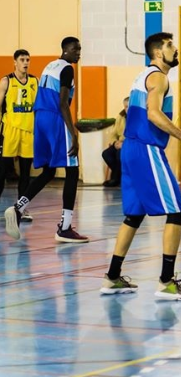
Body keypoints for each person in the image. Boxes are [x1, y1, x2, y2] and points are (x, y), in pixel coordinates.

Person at [100, 32, 181, 299]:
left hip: (132, 150)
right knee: (177, 212)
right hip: (146, 149)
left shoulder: (143, 75)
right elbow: (153, 114)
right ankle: (167, 281)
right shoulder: (159, 76)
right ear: (158, 53)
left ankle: (112, 277)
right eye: (170, 46)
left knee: (134, 217)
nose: (176, 49)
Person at [4, 37, 86, 243]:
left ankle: (18, 207)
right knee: (72, 169)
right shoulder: (67, 69)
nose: (79, 53)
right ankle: (65, 228)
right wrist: (73, 134)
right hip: (55, 118)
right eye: (76, 49)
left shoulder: (50, 65)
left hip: (39, 118)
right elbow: (62, 103)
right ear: (66, 50)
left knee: (49, 171)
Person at [0, 49, 37, 223]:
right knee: (2, 171)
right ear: (14, 62)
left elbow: (38, 107)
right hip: (10, 131)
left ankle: (21, 208)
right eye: (22, 59)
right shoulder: (6, 81)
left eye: (28, 59)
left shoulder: (34, 81)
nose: (25, 62)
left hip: (28, 131)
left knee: (25, 173)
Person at [102, 97, 128, 187]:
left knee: (119, 154)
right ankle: (118, 176)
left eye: (129, 106)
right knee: (106, 154)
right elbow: (113, 133)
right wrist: (114, 143)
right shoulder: (121, 116)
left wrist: (123, 144)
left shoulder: (137, 117)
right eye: (125, 107)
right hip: (119, 143)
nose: (127, 109)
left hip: (129, 144)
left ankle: (116, 178)